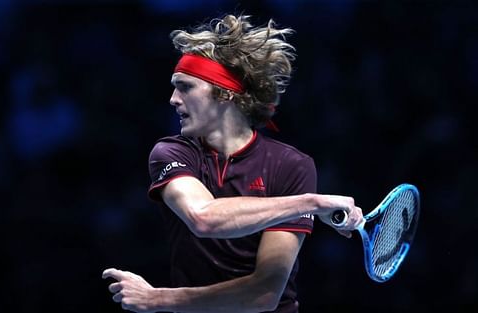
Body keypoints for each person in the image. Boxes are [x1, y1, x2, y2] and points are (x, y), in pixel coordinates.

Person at [102, 14, 363, 313]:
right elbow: (204, 218)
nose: (173, 99)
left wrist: (158, 299)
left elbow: (264, 293)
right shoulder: (171, 153)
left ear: (225, 93)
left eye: (185, 87)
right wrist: (311, 203)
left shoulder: (292, 166)